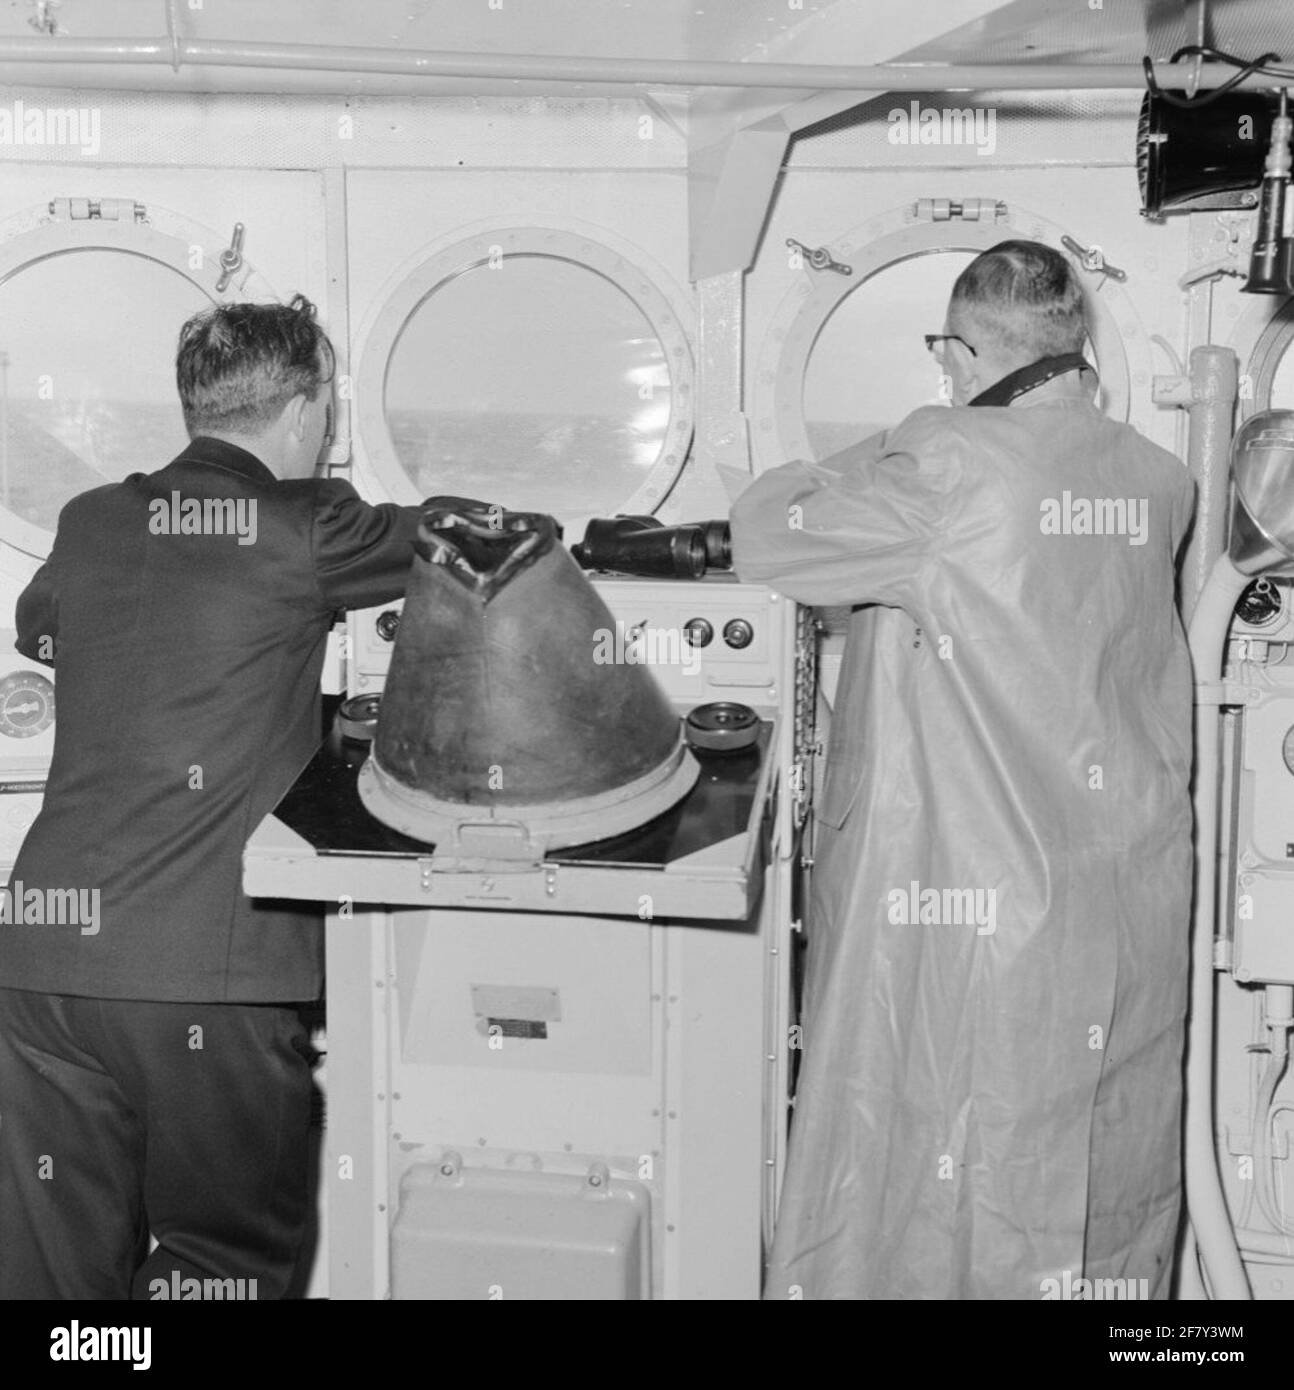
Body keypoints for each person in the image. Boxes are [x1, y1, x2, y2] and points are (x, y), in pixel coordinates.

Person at [732, 240, 1195, 1300]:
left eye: (947, 356)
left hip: (972, 917)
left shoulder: (944, 462)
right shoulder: (1155, 479)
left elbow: (768, 532)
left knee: (942, 1180)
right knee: (1096, 1189)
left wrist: (902, 436)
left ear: (968, 348)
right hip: (1119, 908)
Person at [0, 295, 428, 1299]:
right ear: (303, 411)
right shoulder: (308, 521)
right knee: (219, 1264)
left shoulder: (95, 517)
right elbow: (457, 540)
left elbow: (40, 622)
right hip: (206, 975)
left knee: (55, 1276)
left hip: (41, 964)